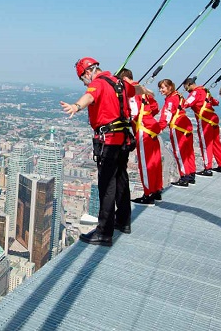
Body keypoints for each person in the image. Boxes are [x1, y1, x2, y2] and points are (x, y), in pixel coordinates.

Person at [61, 57, 137, 246]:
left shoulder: (98, 83)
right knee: (121, 178)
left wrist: (76, 106)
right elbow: (137, 90)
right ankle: (123, 220)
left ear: (87, 72)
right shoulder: (119, 82)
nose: (84, 82)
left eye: (82, 78)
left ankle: (104, 232)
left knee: (107, 185)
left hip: (109, 141)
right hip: (124, 139)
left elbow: (89, 96)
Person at [119, 69, 163, 206]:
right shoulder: (144, 91)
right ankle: (156, 190)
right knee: (155, 162)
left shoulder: (133, 92)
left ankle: (148, 194)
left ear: (125, 79)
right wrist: (149, 118)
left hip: (143, 130)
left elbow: (133, 112)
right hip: (151, 129)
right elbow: (155, 107)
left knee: (145, 163)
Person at [157, 79, 196, 187]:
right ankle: (191, 174)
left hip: (178, 127)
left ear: (169, 87)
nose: (160, 90)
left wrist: (158, 128)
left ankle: (184, 177)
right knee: (188, 152)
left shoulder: (170, 100)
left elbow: (166, 116)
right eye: (160, 88)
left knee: (179, 152)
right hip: (186, 125)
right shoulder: (178, 95)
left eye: (163, 87)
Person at [182, 77, 221, 175]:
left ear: (189, 84)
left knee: (206, 145)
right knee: (216, 143)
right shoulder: (205, 91)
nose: (185, 89)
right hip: (213, 120)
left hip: (205, 121)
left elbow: (186, 104)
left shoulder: (195, 93)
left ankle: (208, 168)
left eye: (185, 87)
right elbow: (215, 102)